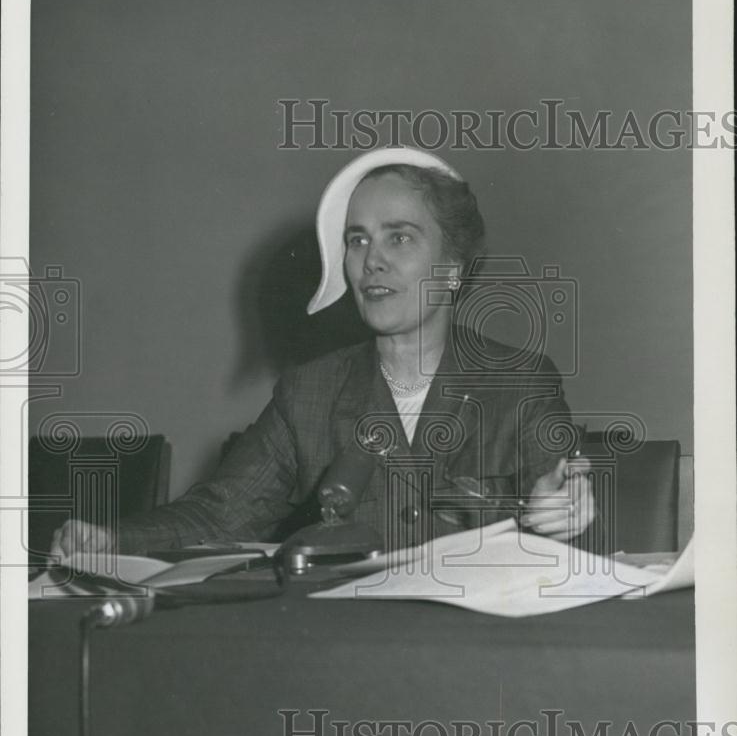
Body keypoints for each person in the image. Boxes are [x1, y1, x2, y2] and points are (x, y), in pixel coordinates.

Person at [50, 147, 595, 559]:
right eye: (357, 240)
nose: (371, 261)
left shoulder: (521, 380)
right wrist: (111, 538)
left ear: (452, 269)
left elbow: (556, 485)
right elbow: (221, 516)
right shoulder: (309, 391)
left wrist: (562, 504)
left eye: (399, 238)